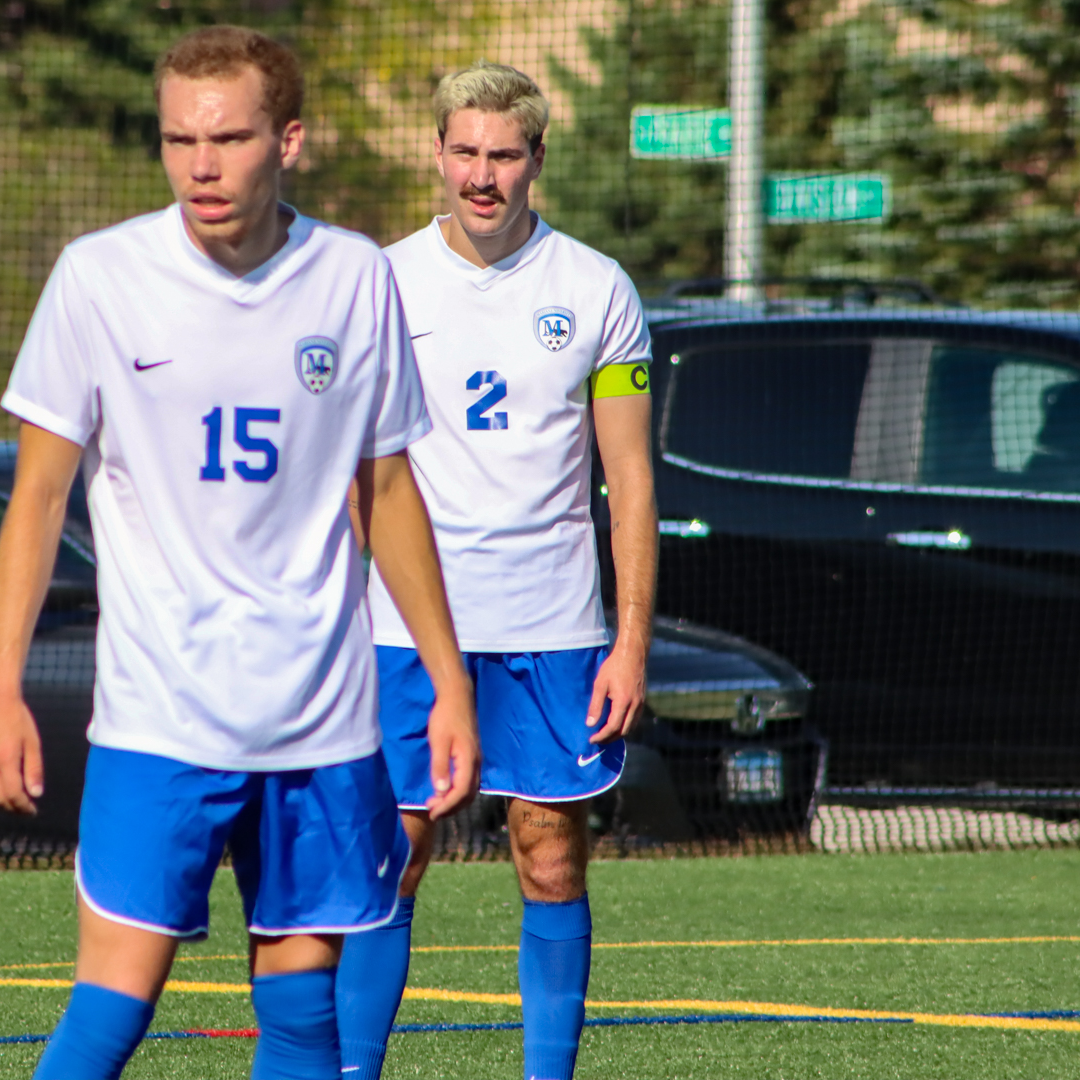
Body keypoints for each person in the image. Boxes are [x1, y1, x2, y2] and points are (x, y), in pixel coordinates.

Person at [0, 27, 480, 1080]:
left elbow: (385, 489)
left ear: (288, 141)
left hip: (322, 722)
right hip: (161, 719)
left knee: (302, 1028)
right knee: (109, 1019)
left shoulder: (351, 278)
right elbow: (36, 499)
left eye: (231, 137)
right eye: (178, 139)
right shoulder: (99, 278)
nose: (201, 164)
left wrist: (447, 675)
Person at [333, 62, 657, 1080]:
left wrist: (631, 640)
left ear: (536, 162)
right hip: (401, 630)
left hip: (553, 629)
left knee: (549, 855)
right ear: (437, 152)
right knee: (395, 856)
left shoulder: (596, 288)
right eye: (465, 152)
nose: (483, 176)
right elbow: (353, 476)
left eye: (504, 156)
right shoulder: (378, 283)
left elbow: (630, 482)